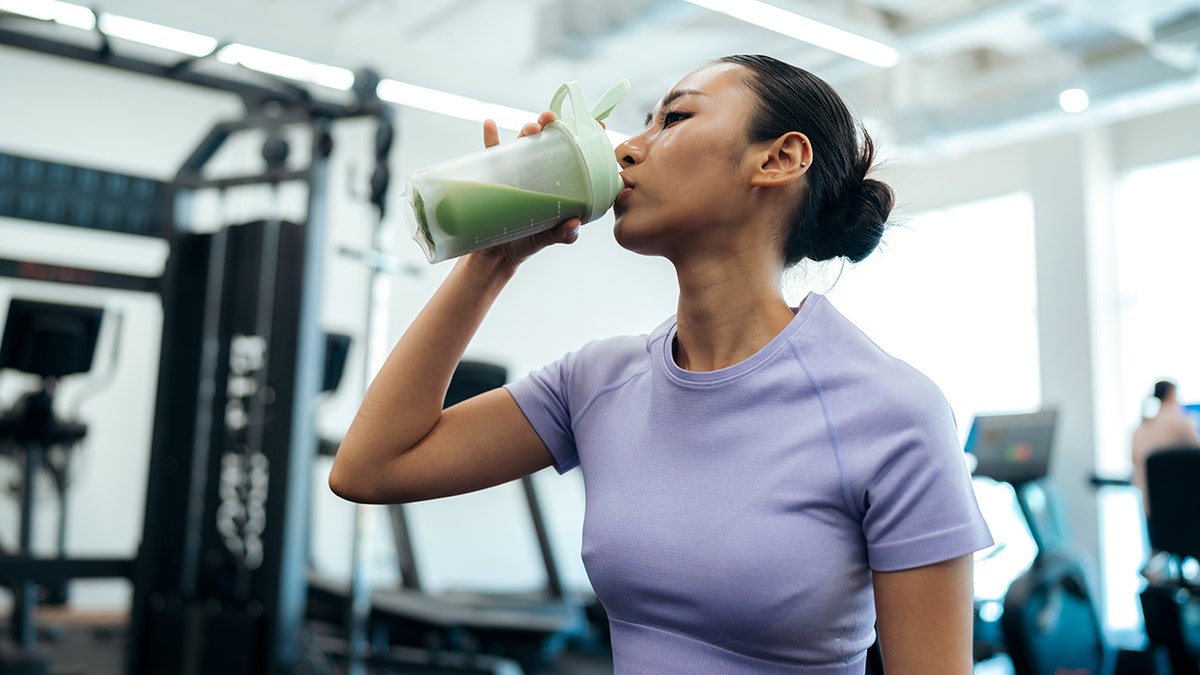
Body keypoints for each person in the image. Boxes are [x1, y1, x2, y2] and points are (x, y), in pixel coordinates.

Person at [330, 54, 993, 674]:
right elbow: (370, 467)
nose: (626, 148)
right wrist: (491, 259)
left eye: (673, 119)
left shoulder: (891, 412)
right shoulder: (598, 380)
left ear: (779, 158)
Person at [1131, 379, 1200, 517]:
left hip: (1151, 506)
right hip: (1186, 504)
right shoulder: (1183, 422)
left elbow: (1134, 460)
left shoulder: (1141, 428)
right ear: (1171, 394)